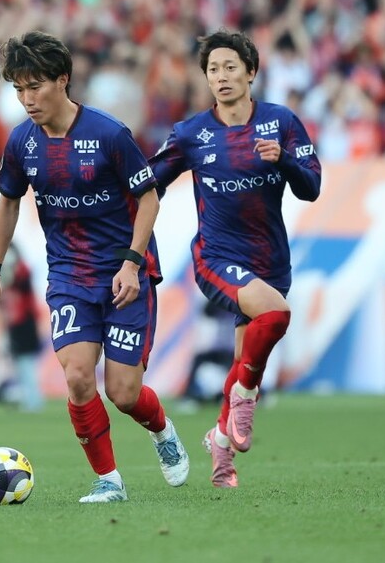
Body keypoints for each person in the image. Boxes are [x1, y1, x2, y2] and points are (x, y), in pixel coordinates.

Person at [0, 31, 189, 503]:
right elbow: (7, 203)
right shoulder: (22, 142)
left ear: (62, 80)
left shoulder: (109, 134)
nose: (26, 99)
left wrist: (132, 263)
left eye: (35, 87)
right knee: (76, 377)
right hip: (69, 277)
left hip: (123, 276)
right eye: (18, 89)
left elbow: (149, 198)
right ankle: (108, 480)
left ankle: (162, 430)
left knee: (124, 393)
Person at [149, 30, 321, 488]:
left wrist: (283, 160)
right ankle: (246, 397)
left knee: (247, 356)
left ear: (251, 72)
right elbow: (148, 183)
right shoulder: (191, 134)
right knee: (276, 315)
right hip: (216, 256)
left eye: (229, 67)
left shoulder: (281, 122)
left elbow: (311, 187)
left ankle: (221, 445)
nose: (221, 76)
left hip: (271, 261)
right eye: (213, 70)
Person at [0, 241, 44, 412]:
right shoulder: (9, 274)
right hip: (15, 323)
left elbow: (17, 285)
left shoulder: (22, 270)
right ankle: (29, 399)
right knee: (20, 363)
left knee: (26, 362)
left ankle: (33, 401)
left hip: (25, 322)